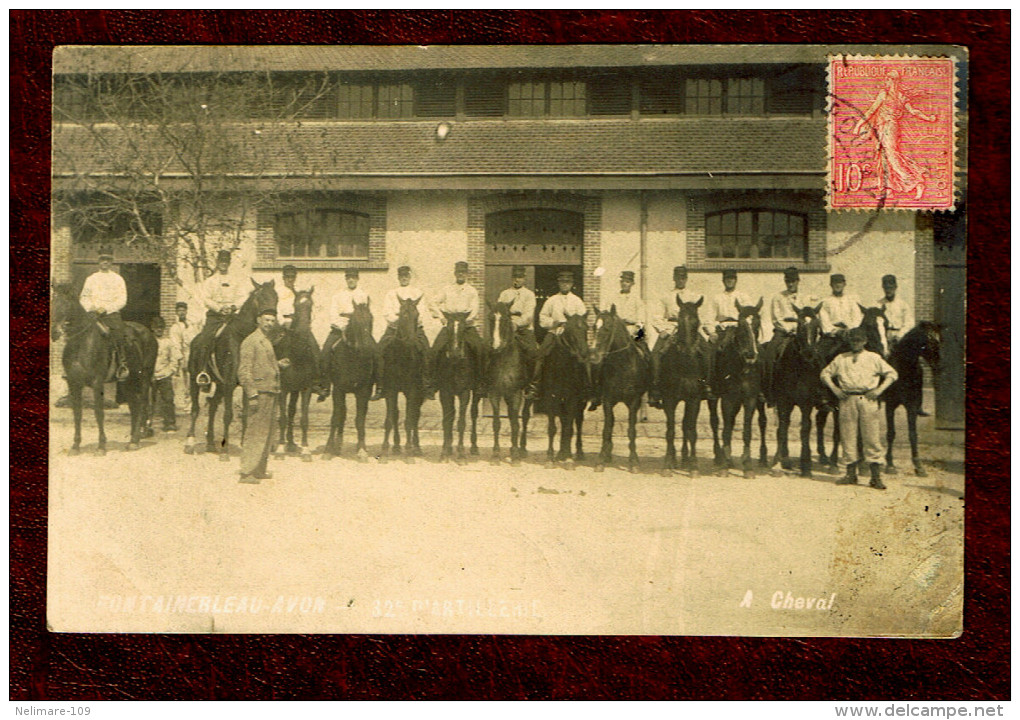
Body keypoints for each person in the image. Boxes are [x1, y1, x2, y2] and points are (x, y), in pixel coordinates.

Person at [820, 326, 899, 489]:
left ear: (865, 341)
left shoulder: (873, 357)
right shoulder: (841, 358)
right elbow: (825, 374)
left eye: (859, 340)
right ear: (849, 342)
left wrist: (878, 390)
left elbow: (892, 374)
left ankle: (875, 476)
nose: (856, 344)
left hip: (867, 399)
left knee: (871, 436)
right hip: (847, 399)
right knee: (848, 436)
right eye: (853, 340)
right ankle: (850, 474)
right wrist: (835, 390)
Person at [853, 70, 939, 202]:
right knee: (883, 156)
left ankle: (914, 181)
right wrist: (929, 118)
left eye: (888, 79)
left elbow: (871, 110)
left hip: (889, 127)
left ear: (892, 80)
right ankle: (887, 189)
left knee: (891, 155)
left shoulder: (886, 94)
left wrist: (858, 125)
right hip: (885, 127)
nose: (886, 82)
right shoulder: (900, 96)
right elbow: (914, 111)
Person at [237, 308, 289, 483]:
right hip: (259, 394)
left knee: (267, 433)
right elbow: (244, 371)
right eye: (266, 320)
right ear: (258, 320)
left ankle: (259, 469)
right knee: (255, 432)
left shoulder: (265, 341)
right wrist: (252, 395)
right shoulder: (251, 341)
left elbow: (263, 364)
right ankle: (246, 472)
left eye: (272, 321)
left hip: (271, 391)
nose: (269, 324)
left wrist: (277, 364)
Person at [649, 265, 711, 407]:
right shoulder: (666, 296)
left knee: (707, 351)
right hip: (671, 328)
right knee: (656, 354)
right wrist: (662, 329)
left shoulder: (694, 296)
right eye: (678, 277)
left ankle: (706, 384)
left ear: (686, 279)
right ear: (674, 278)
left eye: (683, 278)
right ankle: (656, 388)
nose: (680, 280)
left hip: (690, 330)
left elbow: (701, 316)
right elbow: (657, 316)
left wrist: (701, 329)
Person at [590, 270, 650, 411]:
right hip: (614, 335)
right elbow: (604, 315)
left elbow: (641, 321)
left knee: (647, 354)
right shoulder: (612, 298)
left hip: (631, 332)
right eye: (623, 281)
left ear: (632, 284)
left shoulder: (637, 300)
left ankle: (650, 388)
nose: (625, 284)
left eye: (627, 282)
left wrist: (637, 333)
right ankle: (596, 393)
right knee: (598, 359)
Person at [374, 265, 432, 400]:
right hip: (394, 329)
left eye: (406, 276)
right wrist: (399, 322)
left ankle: (427, 384)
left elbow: (422, 312)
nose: (404, 278)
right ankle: (380, 386)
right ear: (398, 277)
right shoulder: (391, 293)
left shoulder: (418, 293)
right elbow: (387, 312)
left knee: (426, 350)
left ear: (410, 277)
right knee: (379, 351)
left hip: (414, 329)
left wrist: (412, 322)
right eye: (401, 276)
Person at [526, 269, 587, 399]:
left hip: (572, 336)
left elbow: (582, 320)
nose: (565, 285)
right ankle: (534, 386)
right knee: (541, 354)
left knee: (584, 355)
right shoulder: (552, 300)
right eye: (562, 282)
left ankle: (587, 388)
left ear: (571, 284)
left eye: (567, 283)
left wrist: (571, 326)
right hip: (554, 333)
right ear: (558, 284)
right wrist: (554, 323)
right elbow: (542, 317)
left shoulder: (577, 301)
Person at [430, 261, 487, 394]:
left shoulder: (472, 290)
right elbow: (433, 302)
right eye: (458, 272)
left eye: (463, 272)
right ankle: (432, 383)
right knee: (435, 349)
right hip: (450, 323)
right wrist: (441, 317)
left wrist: (468, 320)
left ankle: (480, 382)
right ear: (455, 274)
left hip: (466, 324)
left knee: (479, 348)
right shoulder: (447, 289)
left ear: (466, 274)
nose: (461, 274)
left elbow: (475, 308)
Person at [760, 266, 814, 406]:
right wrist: (788, 329)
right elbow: (776, 318)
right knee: (769, 355)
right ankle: (769, 392)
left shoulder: (805, 298)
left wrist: (800, 329)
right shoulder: (778, 297)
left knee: (814, 355)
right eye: (788, 281)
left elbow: (809, 316)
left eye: (793, 281)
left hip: (801, 332)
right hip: (782, 333)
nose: (790, 284)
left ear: (798, 281)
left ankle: (817, 392)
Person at [192, 249, 247, 387]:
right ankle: (204, 371)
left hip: (232, 316)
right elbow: (206, 299)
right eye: (221, 261)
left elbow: (242, 297)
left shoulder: (236, 280)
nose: (224, 264)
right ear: (217, 263)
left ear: (229, 263)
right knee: (205, 339)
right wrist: (219, 308)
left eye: (226, 262)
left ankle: (244, 373)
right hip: (215, 316)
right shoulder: (210, 281)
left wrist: (233, 307)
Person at [319, 268, 375, 399]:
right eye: (348, 277)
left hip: (360, 330)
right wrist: (342, 326)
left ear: (357, 279)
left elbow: (369, 315)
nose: (351, 280)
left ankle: (378, 385)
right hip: (340, 329)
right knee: (325, 352)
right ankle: (325, 385)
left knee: (376, 352)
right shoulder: (338, 295)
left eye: (353, 277)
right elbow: (333, 314)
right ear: (345, 279)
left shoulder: (364, 295)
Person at [79, 250, 130, 381]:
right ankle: (74, 366)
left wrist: (106, 309)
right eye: (102, 259)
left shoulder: (118, 279)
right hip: (92, 314)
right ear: (99, 262)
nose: (105, 262)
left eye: (108, 260)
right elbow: (84, 296)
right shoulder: (91, 279)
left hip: (110, 314)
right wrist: (90, 307)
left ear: (111, 262)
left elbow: (122, 299)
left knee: (119, 334)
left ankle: (122, 364)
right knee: (78, 332)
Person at [706, 268, 755, 391]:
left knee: (756, 350)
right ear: (723, 281)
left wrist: (745, 326)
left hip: (740, 329)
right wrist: (712, 332)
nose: (730, 281)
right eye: (727, 279)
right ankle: (710, 383)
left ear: (736, 280)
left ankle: (759, 388)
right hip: (723, 329)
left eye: (732, 279)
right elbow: (709, 318)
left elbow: (750, 314)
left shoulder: (743, 297)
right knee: (711, 352)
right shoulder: (717, 298)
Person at [495, 264, 539, 356]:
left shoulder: (529, 294)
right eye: (515, 277)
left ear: (524, 278)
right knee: (494, 347)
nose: (517, 280)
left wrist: (516, 324)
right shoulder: (504, 293)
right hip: (506, 328)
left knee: (532, 351)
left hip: (523, 330)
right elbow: (499, 311)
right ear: (512, 278)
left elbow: (528, 315)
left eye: (520, 277)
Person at [818, 273, 863, 361]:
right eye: (835, 283)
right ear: (831, 285)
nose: (837, 285)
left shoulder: (851, 300)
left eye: (840, 282)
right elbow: (824, 321)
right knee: (822, 355)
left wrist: (849, 329)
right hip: (833, 336)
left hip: (850, 335)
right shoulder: (825, 301)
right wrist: (836, 331)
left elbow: (857, 317)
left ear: (844, 284)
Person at [150, 316, 182, 432]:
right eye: (156, 328)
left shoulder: (168, 342)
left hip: (164, 374)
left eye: (161, 328)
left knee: (168, 399)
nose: (159, 330)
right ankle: (146, 423)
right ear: (152, 329)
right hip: (151, 375)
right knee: (148, 400)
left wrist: (170, 371)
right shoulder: (148, 341)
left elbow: (174, 358)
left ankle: (169, 423)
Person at [168, 301, 197, 402]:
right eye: (179, 311)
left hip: (192, 352)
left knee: (194, 376)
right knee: (184, 377)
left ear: (186, 311)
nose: (181, 313)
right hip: (182, 354)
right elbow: (175, 344)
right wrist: (180, 357)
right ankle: (185, 399)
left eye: (183, 310)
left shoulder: (192, 324)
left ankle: (192, 399)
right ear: (176, 312)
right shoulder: (175, 327)